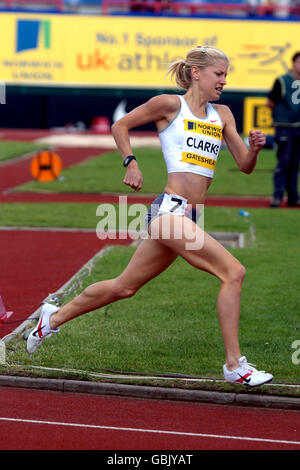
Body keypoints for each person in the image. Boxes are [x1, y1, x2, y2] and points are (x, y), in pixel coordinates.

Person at [27, 46, 273, 387]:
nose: (224, 81)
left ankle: (52, 319)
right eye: (219, 74)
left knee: (124, 287)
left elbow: (245, 166)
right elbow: (120, 125)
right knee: (233, 271)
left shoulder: (224, 115)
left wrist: (256, 149)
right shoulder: (170, 105)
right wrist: (131, 162)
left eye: (227, 75)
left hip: (191, 216)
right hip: (169, 211)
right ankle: (235, 364)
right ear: (198, 73)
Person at [267, 51, 300, 208]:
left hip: (298, 127)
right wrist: (279, 117)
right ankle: (277, 197)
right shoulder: (282, 80)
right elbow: (270, 102)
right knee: (283, 163)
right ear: (293, 63)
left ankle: (294, 198)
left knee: (295, 164)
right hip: (285, 127)